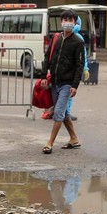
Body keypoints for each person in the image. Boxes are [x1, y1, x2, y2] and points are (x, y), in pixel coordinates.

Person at [39, 9, 84, 154]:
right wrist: (43, 76)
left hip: (67, 84)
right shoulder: (56, 38)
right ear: (61, 21)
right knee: (63, 114)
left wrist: (75, 85)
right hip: (55, 82)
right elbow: (47, 57)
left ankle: (49, 143)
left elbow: (79, 65)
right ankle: (74, 139)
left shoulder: (78, 42)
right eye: (65, 19)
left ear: (75, 23)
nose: (68, 23)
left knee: (58, 113)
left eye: (71, 20)